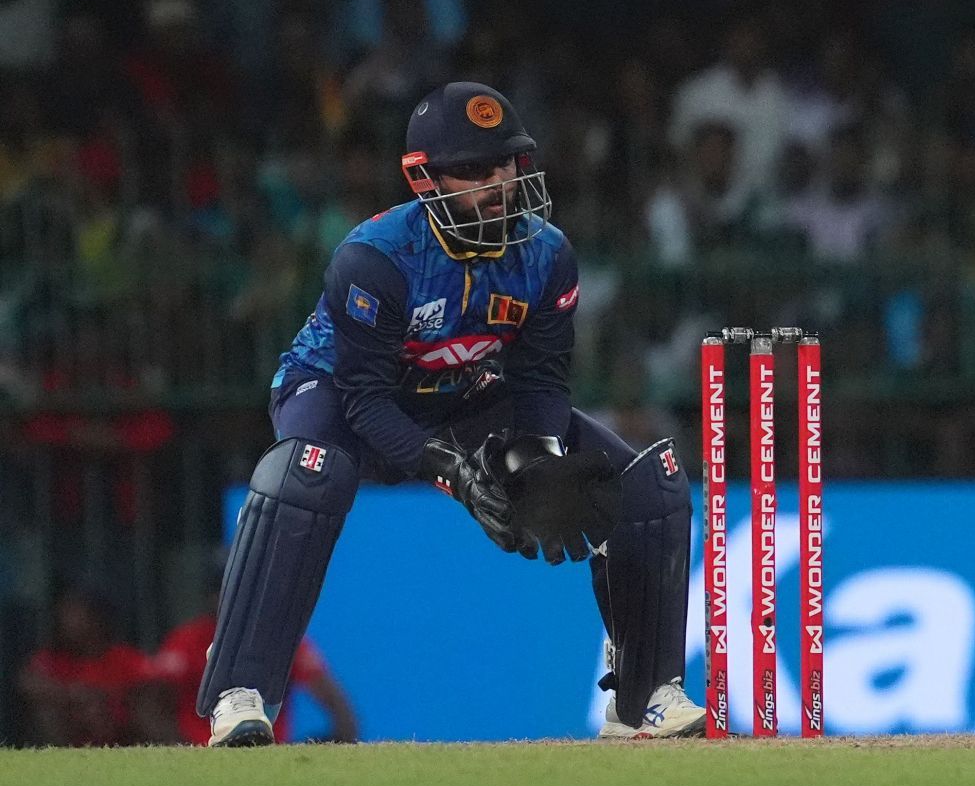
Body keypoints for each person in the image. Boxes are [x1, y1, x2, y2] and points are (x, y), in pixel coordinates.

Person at [197, 81, 699, 745]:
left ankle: (645, 700)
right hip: (338, 395)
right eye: (472, 171)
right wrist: (452, 472)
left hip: (464, 395)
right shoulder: (374, 260)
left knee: (647, 484)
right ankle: (241, 689)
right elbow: (366, 399)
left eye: (505, 165)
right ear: (424, 180)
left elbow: (542, 378)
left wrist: (540, 455)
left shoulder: (547, 255)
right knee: (306, 477)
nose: (496, 184)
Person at [152, 556, 359, 744]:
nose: (241, 602)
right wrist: (183, 751)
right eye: (231, 594)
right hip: (202, 752)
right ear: (213, 596)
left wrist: (335, 743)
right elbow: (153, 706)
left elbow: (333, 699)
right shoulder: (187, 641)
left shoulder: (280, 638)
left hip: (269, 754)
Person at [16, 590, 167, 746]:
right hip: (72, 734)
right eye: (64, 614)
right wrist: (75, 695)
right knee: (47, 712)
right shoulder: (53, 659)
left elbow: (155, 685)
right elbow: (28, 683)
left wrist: (111, 700)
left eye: (75, 614)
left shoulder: (122, 657)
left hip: (123, 734)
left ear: (96, 618)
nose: (67, 622)